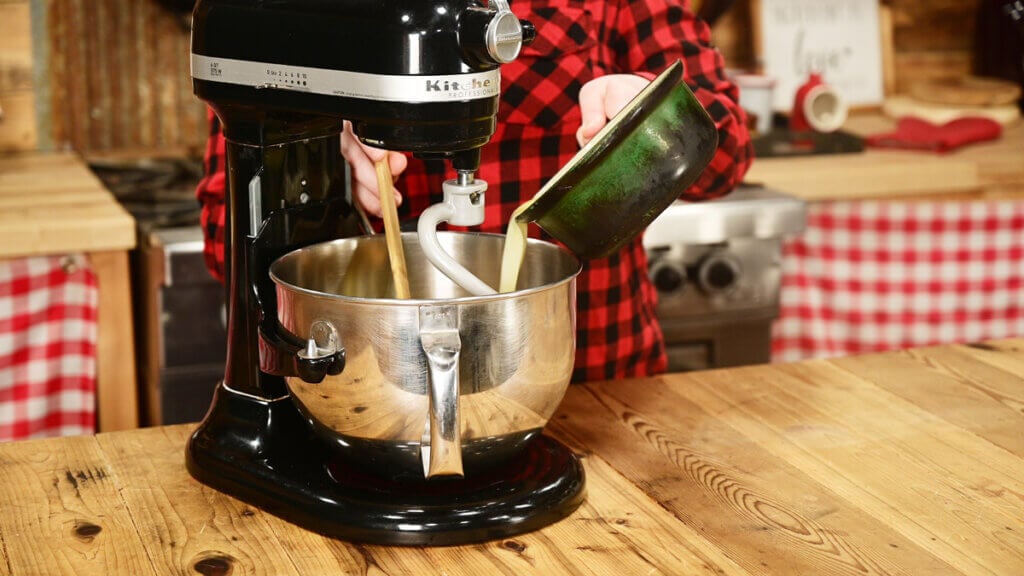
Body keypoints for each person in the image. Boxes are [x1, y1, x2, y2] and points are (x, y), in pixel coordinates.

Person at [196, 0, 752, 383]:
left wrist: (651, 113)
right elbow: (229, 238)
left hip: (602, 386)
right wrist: (318, 152)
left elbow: (727, 152)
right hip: (381, 386)